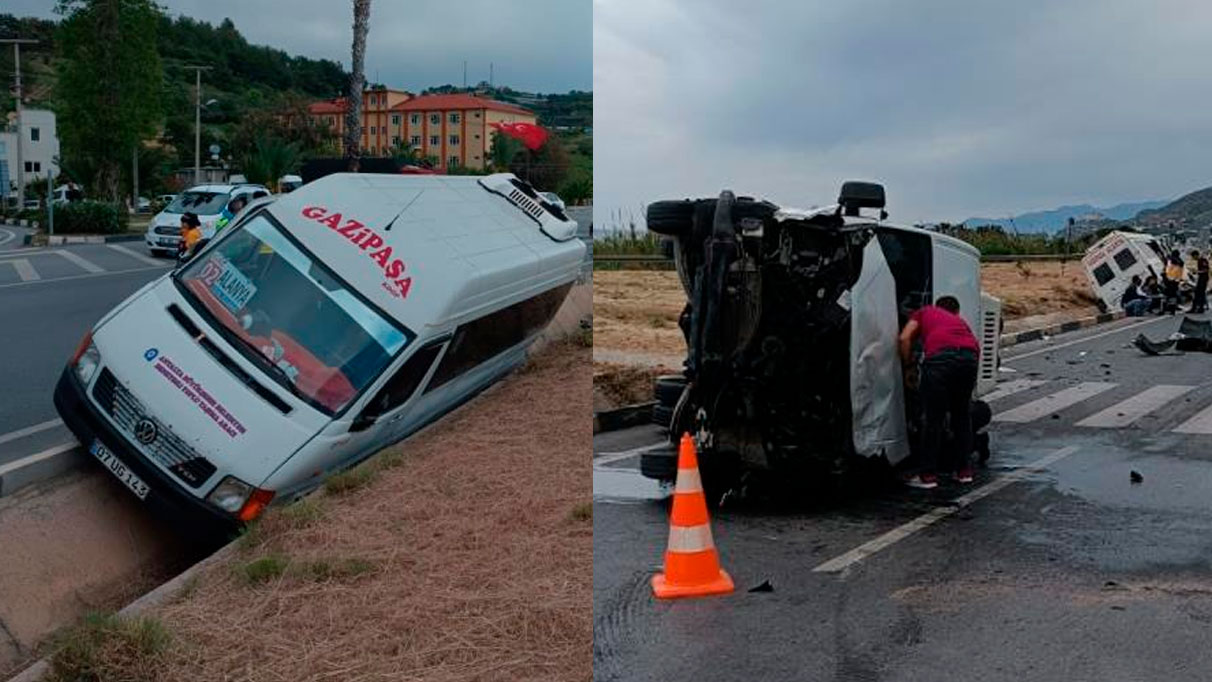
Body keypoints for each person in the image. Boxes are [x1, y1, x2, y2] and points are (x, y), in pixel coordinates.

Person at [899, 295, 980, 489]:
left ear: (937, 307)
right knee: (962, 416)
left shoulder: (924, 311)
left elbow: (904, 338)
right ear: (956, 311)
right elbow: (975, 347)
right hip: (969, 359)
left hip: (941, 361)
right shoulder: (959, 321)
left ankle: (927, 476)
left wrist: (908, 366)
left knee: (933, 418)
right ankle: (964, 472)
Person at [1163, 250, 1185, 314]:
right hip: (1175, 281)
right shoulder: (1181, 262)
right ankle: (1172, 310)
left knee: (1166, 295)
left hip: (1168, 280)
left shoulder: (1169, 260)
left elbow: (1166, 269)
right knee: (1173, 295)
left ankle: (1163, 309)